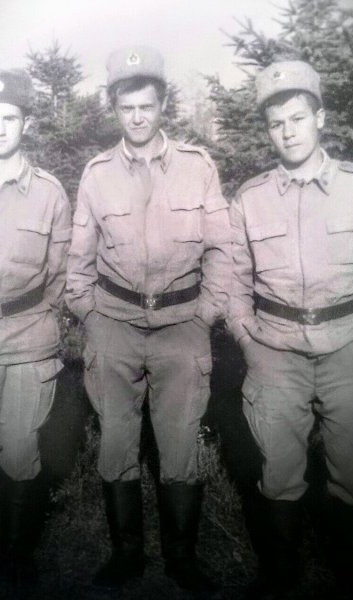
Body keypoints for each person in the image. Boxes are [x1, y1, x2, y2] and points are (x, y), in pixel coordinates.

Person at [228, 60, 353, 599]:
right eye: (276, 123)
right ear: (268, 130)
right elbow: (232, 279)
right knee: (279, 471)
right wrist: (248, 339)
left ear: (320, 118)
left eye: (298, 118)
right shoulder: (250, 198)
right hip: (275, 352)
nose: (288, 131)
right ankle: (280, 574)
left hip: (351, 346)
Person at [66, 46, 231, 594]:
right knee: (117, 441)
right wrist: (91, 317)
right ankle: (127, 555)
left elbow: (222, 249)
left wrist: (206, 313)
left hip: (183, 322)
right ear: (114, 108)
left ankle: (182, 558)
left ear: (163, 106)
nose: (137, 118)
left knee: (180, 442)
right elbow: (78, 260)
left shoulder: (197, 167)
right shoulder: (96, 175)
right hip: (113, 322)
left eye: (147, 106)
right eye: (126, 108)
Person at [0, 69, 71, 588]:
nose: (0, 128)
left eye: (10, 118)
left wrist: (30, 322)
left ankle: (14, 558)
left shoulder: (50, 194)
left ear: (26, 123)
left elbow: (59, 274)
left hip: (27, 344)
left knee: (22, 454)